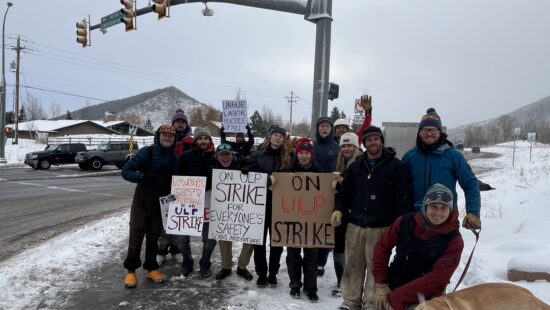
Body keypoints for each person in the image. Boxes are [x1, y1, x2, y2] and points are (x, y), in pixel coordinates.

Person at [332, 126, 412, 310]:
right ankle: (351, 301)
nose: (373, 142)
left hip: (381, 226)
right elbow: (344, 193)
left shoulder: (397, 166)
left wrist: (399, 224)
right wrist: (339, 209)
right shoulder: (356, 166)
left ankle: (371, 303)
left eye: (376, 139)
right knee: (353, 264)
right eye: (369, 140)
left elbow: (404, 198)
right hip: (356, 224)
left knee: (377, 267)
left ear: (382, 141)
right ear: (364, 143)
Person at [372, 183, 464, 310]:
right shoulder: (405, 221)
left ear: (451, 209)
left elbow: (438, 279)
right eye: (433, 206)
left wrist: (398, 297)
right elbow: (382, 247)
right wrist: (381, 283)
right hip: (393, 284)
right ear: (425, 206)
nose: (438, 212)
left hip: (427, 294)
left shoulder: (454, 240)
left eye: (444, 208)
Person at [402, 108, 482, 230]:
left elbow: (470, 184)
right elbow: (400, 189)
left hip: (445, 218)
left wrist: (473, 212)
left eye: (433, 130)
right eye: (425, 130)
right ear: (419, 132)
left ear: (440, 132)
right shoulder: (409, 156)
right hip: (415, 219)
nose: (429, 133)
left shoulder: (454, 156)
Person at [120, 124, 177, 288]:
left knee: (154, 236)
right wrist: (143, 177)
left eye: (171, 136)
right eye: (164, 135)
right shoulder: (147, 152)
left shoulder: (175, 158)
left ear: (174, 139)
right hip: (142, 201)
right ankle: (131, 271)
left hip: (161, 203)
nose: (167, 138)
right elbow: (126, 171)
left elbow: (180, 180)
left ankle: (151, 267)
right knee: (136, 234)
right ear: (158, 136)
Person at [244, 125, 291, 288]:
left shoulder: (287, 158)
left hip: (279, 206)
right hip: (259, 206)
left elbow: (292, 178)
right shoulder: (257, 155)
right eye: (275, 135)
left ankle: (273, 273)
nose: (278, 137)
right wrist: (248, 171)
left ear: (284, 139)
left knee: (277, 242)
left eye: (281, 136)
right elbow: (247, 171)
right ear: (269, 137)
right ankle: (261, 273)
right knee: (259, 242)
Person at [175, 127, 217, 278]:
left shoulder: (217, 157)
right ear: (195, 140)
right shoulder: (185, 156)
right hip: (188, 202)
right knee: (182, 237)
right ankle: (187, 263)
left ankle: (205, 264)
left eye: (206, 138)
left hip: (209, 202)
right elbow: (177, 176)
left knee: (210, 238)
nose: (203, 141)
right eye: (200, 138)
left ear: (210, 141)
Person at [284, 137, 322, 302]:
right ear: (296, 154)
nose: (304, 156)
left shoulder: (319, 170)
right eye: (301, 153)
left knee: (311, 256)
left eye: (307, 153)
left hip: (312, 220)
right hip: (292, 219)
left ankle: (311, 287)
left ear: (311, 154)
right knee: (293, 255)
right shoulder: (288, 169)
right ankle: (295, 285)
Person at [213, 143, 255, 282]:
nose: (225, 157)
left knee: (249, 237)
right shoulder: (212, 167)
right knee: (224, 237)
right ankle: (226, 267)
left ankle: (242, 267)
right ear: (217, 156)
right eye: (222, 155)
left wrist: (248, 170)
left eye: (228, 154)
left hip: (245, 208)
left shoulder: (243, 163)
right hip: (223, 209)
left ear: (233, 155)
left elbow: (254, 167)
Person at [156, 108, 191, 265]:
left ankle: (175, 249)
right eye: (178, 122)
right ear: (173, 123)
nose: (180, 124)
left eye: (183, 122)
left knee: (181, 220)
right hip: (165, 185)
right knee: (165, 221)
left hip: (184, 187)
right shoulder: (167, 139)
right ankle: (161, 250)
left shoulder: (191, 141)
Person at [330, 132, 363, 297]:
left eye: (349, 145)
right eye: (343, 145)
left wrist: (346, 184)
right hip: (340, 211)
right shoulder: (339, 163)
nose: (346, 148)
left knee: (353, 249)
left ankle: (352, 284)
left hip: (356, 214)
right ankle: (341, 280)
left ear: (355, 146)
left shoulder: (361, 163)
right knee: (338, 246)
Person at [312, 117, 339, 276]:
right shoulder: (312, 146)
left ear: (331, 129)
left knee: (325, 227)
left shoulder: (337, 147)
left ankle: (321, 262)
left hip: (330, 193)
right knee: (312, 225)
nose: (324, 128)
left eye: (327, 126)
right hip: (311, 193)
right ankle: (311, 259)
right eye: (322, 126)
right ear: (318, 128)